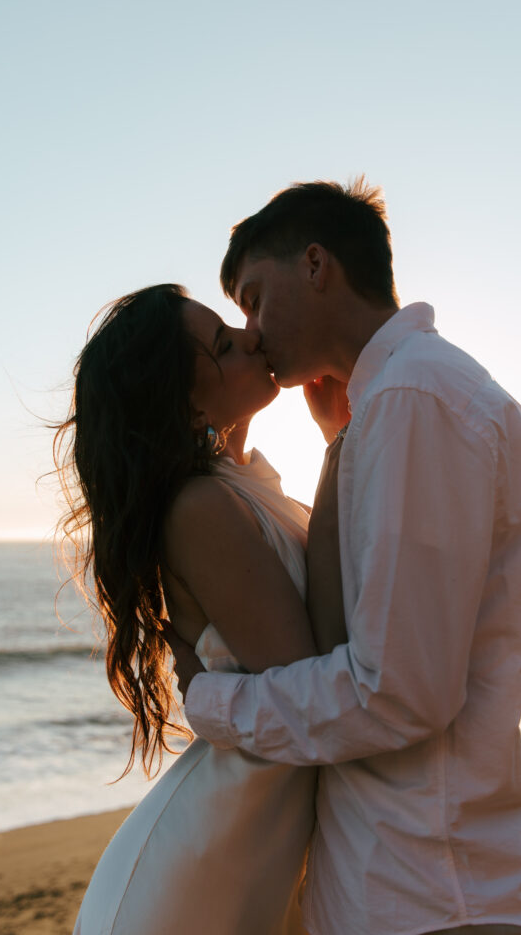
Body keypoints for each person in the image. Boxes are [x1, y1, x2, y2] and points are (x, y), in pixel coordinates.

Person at [170, 179, 521, 935]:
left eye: (254, 297)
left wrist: (211, 703)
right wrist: (339, 445)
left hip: (428, 887)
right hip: (407, 877)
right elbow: (372, 627)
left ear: (315, 265)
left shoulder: (417, 400)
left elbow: (398, 693)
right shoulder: (403, 402)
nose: (250, 330)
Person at [54, 284, 321, 935]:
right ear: (186, 402)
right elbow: (317, 691)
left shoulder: (249, 488)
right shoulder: (200, 506)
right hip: (198, 877)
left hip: (249, 852)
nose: (252, 336)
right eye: (225, 344)